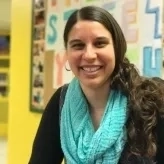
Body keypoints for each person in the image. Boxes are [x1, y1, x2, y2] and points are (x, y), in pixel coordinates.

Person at [28, 6, 164, 164]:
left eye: (100, 43)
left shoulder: (154, 99)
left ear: (116, 48)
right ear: (67, 53)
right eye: (78, 45)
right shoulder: (61, 102)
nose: (89, 55)